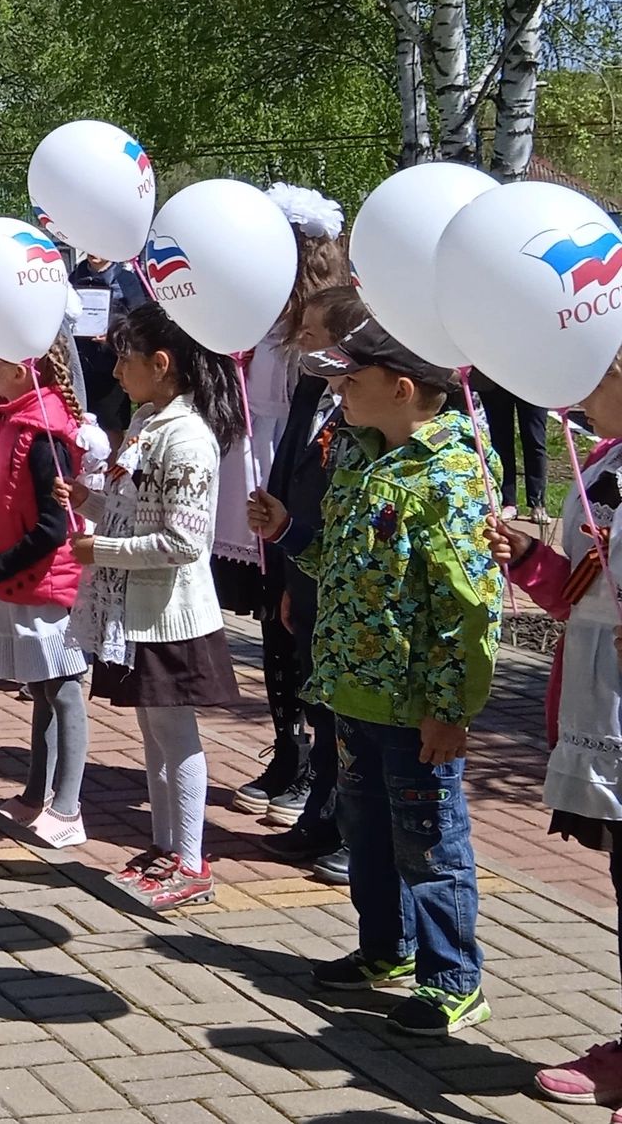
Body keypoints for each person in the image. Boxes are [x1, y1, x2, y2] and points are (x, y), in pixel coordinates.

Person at [252, 317, 498, 1036]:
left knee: (429, 839)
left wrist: (451, 707)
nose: (335, 391)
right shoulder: (360, 455)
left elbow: (469, 603)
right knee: (367, 828)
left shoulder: (450, 473)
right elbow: (346, 555)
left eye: (349, 381)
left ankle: (453, 979)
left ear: (401, 388)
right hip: (352, 685)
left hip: (414, 701)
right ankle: (383, 949)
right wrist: (288, 538)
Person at [71, 301, 244, 914]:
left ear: (161, 363)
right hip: (135, 614)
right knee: (152, 734)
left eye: (125, 357)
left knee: (176, 734)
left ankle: (192, 861)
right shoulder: (150, 422)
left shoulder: (187, 439)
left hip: (170, 615)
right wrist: (88, 503)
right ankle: (166, 848)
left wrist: (102, 549)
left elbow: (182, 542)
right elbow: (132, 514)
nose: (116, 370)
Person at [491, 347, 622, 1102]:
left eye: (596, 374)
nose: (577, 391)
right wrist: (533, 560)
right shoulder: (603, 458)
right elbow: (583, 591)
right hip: (596, 697)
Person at [221, 185, 346, 824]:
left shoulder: (321, 329)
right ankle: (288, 748)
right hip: (258, 460)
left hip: (298, 474)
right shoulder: (263, 314)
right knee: (273, 617)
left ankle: (320, 769)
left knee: (299, 618)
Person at [254, 285, 371, 887]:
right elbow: (290, 468)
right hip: (302, 566)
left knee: (348, 717)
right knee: (317, 702)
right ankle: (320, 815)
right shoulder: (312, 393)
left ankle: (352, 827)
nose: (299, 346)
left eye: (311, 335)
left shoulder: (364, 416)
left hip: (345, 578)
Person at [0, 347, 91, 849]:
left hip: (44, 584)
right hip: (18, 580)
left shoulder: (43, 435)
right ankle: (37, 794)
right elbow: (0, 502)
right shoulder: (9, 422)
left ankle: (68, 806)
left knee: (63, 689)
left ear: (19, 371)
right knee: (41, 687)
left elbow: (53, 528)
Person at [70, 251, 151, 439]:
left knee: (110, 424)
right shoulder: (74, 277)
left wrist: (114, 335)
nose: (93, 252)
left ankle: (111, 468)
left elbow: (138, 319)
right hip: (80, 362)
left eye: (98, 247)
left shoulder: (127, 280)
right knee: (80, 422)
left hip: (112, 364)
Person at [471, 371, 550, 522]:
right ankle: (507, 502)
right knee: (501, 442)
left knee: (535, 441)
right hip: (497, 378)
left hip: (534, 379)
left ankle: (538, 503)